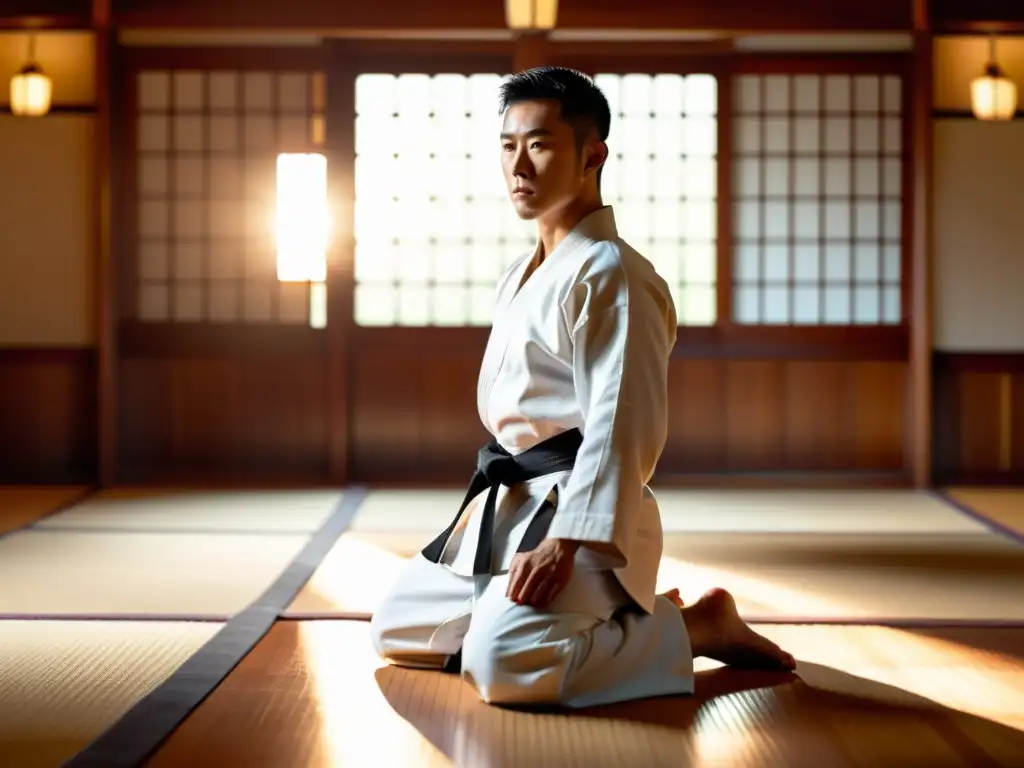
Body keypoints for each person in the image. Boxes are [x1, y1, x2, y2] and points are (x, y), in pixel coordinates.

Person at [369, 66, 795, 708]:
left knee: (504, 666)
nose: (519, 165)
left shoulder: (614, 276)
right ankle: (554, 622)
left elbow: (623, 428)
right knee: (399, 626)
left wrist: (567, 541)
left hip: (582, 512)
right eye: (508, 146)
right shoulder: (521, 273)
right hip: (511, 502)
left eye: (539, 145)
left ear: (591, 154)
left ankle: (695, 626)